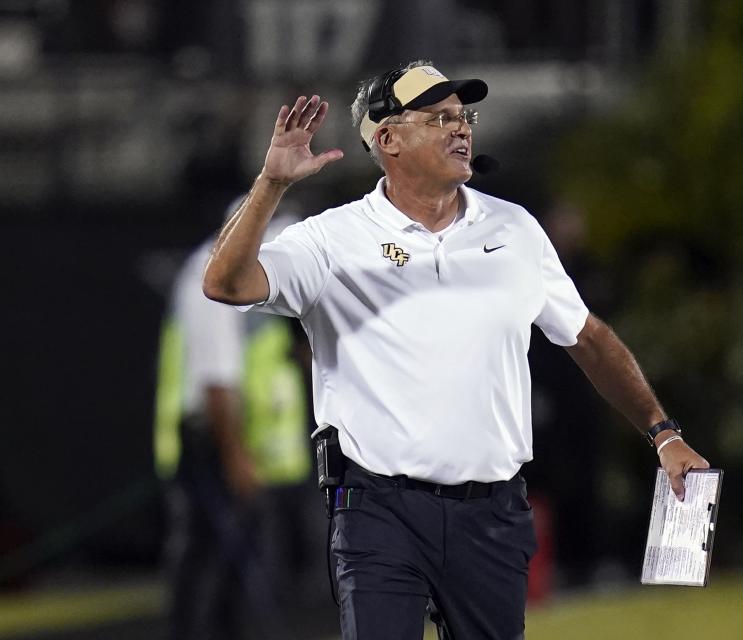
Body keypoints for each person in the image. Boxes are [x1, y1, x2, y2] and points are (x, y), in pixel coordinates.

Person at [202, 60, 709, 640]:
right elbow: (225, 283)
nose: (461, 128)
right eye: (438, 118)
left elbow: (587, 337)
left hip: (491, 514)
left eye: (462, 116)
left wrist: (663, 433)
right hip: (379, 509)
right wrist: (271, 184)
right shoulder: (332, 238)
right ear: (387, 138)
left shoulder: (515, 229)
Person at [154, 207, 313, 640]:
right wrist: (235, 456)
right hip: (216, 447)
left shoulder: (260, 279)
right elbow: (216, 382)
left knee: (248, 576)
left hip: (255, 453)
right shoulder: (214, 273)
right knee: (214, 571)